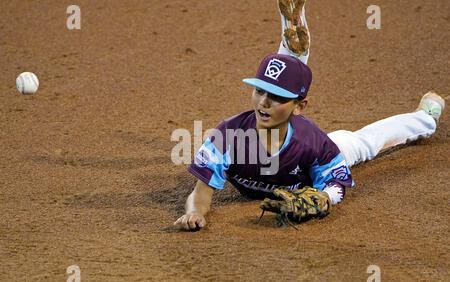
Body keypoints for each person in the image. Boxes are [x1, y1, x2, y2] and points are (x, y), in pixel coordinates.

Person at [173, 0, 446, 231]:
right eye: (259, 91)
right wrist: (195, 213)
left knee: (364, 143)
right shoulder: (228, 136)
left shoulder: (314, 143)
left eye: (277, 97)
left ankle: (424, 118)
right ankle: (292, 52)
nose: (264, 103)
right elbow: (200, 194)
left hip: (312, 155)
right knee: (286, 83)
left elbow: (336, 185)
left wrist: (325, 197)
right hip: (293, 141)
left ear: (300, 107)